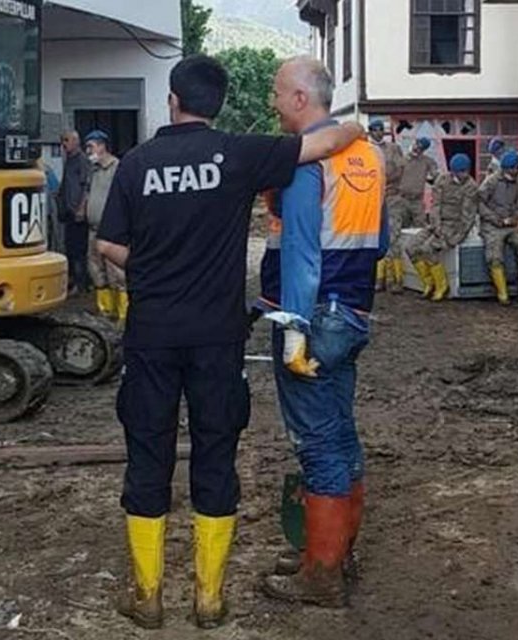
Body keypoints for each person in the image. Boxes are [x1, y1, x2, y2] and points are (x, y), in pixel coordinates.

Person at [95, 54, 363, 630]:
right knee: (217, 459)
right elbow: (324, 144)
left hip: (152, 338)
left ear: (173, 100)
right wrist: (357, 127)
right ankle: (209, 600)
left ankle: (147, 597)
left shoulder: (137, 164)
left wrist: (150, 270)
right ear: (217, 104)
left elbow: (107, 245)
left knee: (148, 459)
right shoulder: (239, 154)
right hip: (218, 340)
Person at [254, 56, 385, 608]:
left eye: (278, 93)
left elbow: (304, 255)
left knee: (318, 443)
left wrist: (293, 328)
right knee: (341, 432)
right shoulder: (369, 155)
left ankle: (322, 573)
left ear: (301, 99)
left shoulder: (307, 165)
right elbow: (378, 241)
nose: (273, 102)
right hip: (352, 311)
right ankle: (334, 548)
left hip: (315, 316)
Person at [407, 154, 477, 302]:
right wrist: (436, 225)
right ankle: (428, 283)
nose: (464, 174)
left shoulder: (471, 187)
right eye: (461, 171)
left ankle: (442, 286)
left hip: (453, 226)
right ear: (453, 171)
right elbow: (435, 205)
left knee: (427, 249)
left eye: (466, 171)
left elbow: (467, 217)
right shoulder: (442, 181)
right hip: (436, 223)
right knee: (411, 247)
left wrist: (456, 238)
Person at [479, 150, 518, 305]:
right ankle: (502, 293)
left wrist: (516, 218)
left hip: (511, 225)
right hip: (492, 226)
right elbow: (479, 203)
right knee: (494, 255)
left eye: (517, 168)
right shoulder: (491, 182)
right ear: (504, 168)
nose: (516, 171)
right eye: (512, 168)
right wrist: (494, 219)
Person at [83, 130, 126, 321]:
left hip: (112, 232)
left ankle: (123, 316)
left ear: (102, 146)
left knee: (116, 274)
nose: (88, 151)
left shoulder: (118, 168)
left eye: (90, 146)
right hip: (93, 229)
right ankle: (105, 314)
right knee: (96, 271)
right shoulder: (94, 171)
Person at [369, 119, 407, 292]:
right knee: (375, 238)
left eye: (380, 130)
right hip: (372, 199)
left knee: (394, 237)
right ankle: (379, 278)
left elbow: (399, 170)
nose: (378, 132)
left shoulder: (394, 149)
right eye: (374, 130)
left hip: (392, 198)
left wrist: (384, 176)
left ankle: (396, 279)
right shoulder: (366, 150)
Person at [58, 130, 92, 294]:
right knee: (70, 249)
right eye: (62, 141)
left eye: (66, 140)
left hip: (78, 214)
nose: (63, 144)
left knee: (79, 251)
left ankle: (82, 285)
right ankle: (73, 282)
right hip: (68, 213)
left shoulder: (82, 161)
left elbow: (86, 186)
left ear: (75, 141)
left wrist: (81, 208)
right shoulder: (69, 161)